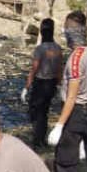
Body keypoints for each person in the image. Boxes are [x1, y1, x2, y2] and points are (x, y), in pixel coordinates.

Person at [47, 11, 87, 172]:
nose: (64, 32)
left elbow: (71, 97)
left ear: (72, 32)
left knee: (65, 157)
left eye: (66, 29)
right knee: (75, 151)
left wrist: (59, 125)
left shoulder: (76, 59)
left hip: (76, 111)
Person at [22, 18, 63, 147]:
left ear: (42, 32)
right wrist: (60, 84)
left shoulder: (40, 49)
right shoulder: (58, 48)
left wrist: (26, 87)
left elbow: (34, 69)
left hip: (40, 83)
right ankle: (41, 138)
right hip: (51, 84)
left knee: (35, 111)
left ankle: (37, 139)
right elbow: (59, 68)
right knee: (44, 111)